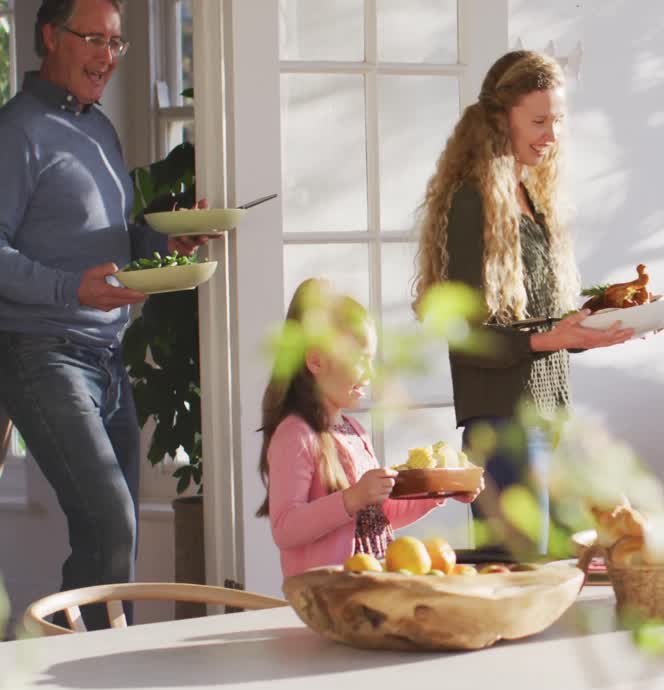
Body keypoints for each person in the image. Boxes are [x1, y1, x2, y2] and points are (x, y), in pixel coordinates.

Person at [0, 0, 215, 630]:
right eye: (94, 38)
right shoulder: (16, 132)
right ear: (49, 37)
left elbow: (112, 238)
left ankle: (77, 680)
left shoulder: (98, 128)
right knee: (110, 521)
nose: (108, 57)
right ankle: (75, 674)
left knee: (115, 541)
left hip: (106, 356)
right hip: (41, 353)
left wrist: (161, 245)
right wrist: (72, 290)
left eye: (117, 43)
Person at [412, 50, 632, 556]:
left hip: (548, 419)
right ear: (499, 118)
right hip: (502, 430)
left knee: (557, 578)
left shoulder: (530, 197)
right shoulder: (472, 203)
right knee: (523, 579)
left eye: (557, 120)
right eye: (538, 121)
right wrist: (554, 337)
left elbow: (537, 325)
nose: (551, 135)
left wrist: (600, 325)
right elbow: (465, 337)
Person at [259, 279, 479, 577]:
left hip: (376, 583)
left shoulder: (354, 431)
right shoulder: (296, 434)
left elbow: (382, 515)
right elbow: (285, 529)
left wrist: (441, 490)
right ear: (316, 361)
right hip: (331, 596)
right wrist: (352, 498)